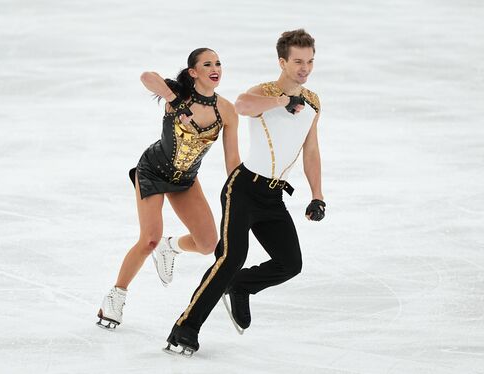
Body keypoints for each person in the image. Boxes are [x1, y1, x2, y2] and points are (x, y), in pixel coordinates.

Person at [164, 29, 326, 356]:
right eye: (297, 61)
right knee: (230, 258)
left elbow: (311, 149)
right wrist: (282, 100)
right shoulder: (264, 92)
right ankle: (185, 328)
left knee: (290, 263)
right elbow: (242, 105)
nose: (304, 68)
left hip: (273, 197)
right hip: (243, 189)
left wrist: (317, 194)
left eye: (309, 61)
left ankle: (241, 286)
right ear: (282, 61)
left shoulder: (313, 102)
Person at [96, 48, 240, 329]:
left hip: (185, 179)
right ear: (193, 72)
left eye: (219, 63)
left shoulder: (226, 110)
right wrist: (175, 100)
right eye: (207, 64)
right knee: (149, 238)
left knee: (208, 243)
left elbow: (232, 160)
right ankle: (115, 296)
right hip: (153, 171)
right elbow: (146, 76)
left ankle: (170, 247)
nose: (216, 68)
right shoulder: (178, 94)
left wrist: (242, 188)